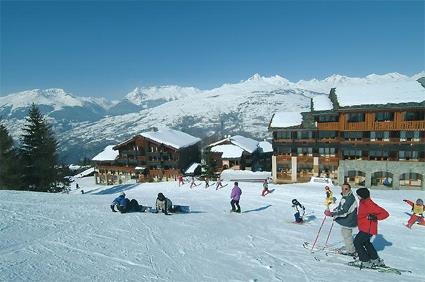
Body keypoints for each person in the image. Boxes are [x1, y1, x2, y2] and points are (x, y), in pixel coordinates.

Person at [352, 188, 389, 268]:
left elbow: (385, 214)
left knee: (357, 242)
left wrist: (375, 217)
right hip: (365, 227)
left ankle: (364, 261)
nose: (357, 196)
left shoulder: (369, 204)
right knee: (366, 243)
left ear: (362, 195)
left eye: (358, 195)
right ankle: (375, 259)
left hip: (368, 229)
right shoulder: (363, 201)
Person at [324, 183, 357, 255]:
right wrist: (337, 208)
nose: (344, 190)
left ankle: (351, 251)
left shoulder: (350, 198)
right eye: (342, 188)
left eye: (346, 189)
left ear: (350, 189)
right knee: (345, 233)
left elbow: (345, 211)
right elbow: (342, 206)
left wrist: (332, 214)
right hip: (347, 219)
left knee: (346, 234)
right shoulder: (346, 196)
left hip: (349, 220)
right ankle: (350, 247)